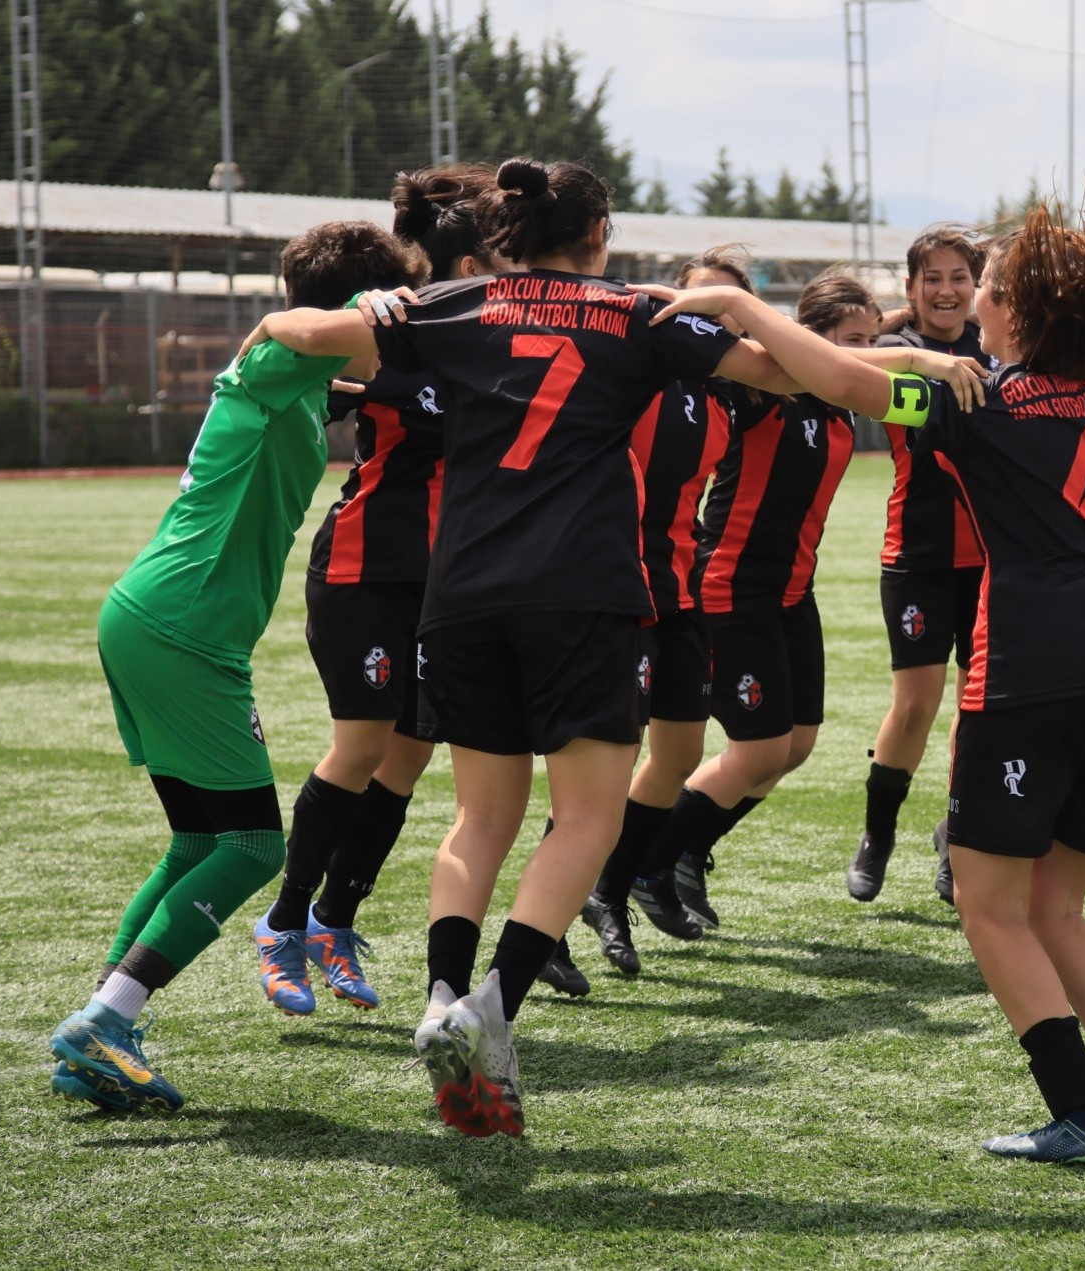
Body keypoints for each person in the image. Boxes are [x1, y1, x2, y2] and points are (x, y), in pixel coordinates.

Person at [246, 159, 983, 1137]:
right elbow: (822, 379)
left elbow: (300, 334)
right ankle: (490, 1012)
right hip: (581, 596)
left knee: (477, 817)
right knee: (587, 815)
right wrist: (862, 350)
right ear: (597, 236)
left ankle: (440, 998)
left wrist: (331, 313)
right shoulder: (635, 314)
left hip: (459, 595)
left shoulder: (452, 303)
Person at [648, 173, 1085, 1165]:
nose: (972, 296)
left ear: (1016, 309)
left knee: (990, 905)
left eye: (986, 285)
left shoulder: (973, 396)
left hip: (1028, 668)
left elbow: (835, 378)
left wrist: (738, 302)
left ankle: (1081, 1108)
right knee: (1057, 905)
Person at [48, 221, 426, 1112]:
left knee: (197, 841)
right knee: (255, 845)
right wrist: (359, 313)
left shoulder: (297, 382)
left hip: (157, 618)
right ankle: (107, 1018)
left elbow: (350, 374)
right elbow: (292, 334)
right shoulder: (275, 361)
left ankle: (102, 1018)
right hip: (181, 631)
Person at [250, 164, 590, 1012]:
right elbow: (283, 333)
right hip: (368, 564)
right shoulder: (401, 326)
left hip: (450, 579)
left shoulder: (492, 334)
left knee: (406, 758)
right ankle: (284, 922)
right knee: (363, 744)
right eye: (489, 262)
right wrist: (356, 315)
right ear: (465, 265)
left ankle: (334, 916)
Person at [625, 271, 879, 936]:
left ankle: (676, 851)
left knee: (794, 746)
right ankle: (643, 866)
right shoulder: (760, 391)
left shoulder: (842, 398)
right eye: (850, 340)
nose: (860, 352)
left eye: (869, 340)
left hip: (793, 591)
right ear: (807, 339)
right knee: (758, 752)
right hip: (731, 588)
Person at [578, 246, 756, 976]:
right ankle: (556, 919)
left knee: (679, 753)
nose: (706, 314)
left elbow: (830, 355)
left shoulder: (730, 391)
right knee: (600, 760)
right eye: (696, 299)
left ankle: (610, 891)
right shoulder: (633, 367)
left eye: (725, 305)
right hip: (616, 583)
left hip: (680, 585)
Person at [848, 226, 994, 905]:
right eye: (930, 278)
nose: (945, 290)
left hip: (996, 559)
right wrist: (925, 360)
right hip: (918, 556)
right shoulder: (885, 352)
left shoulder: (996, 343)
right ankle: (878, 833)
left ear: (977, 285)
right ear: (909, 289)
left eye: (958, 277)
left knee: (980, 707)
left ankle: (956, 837)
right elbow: (840, 365)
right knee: (914, 706)